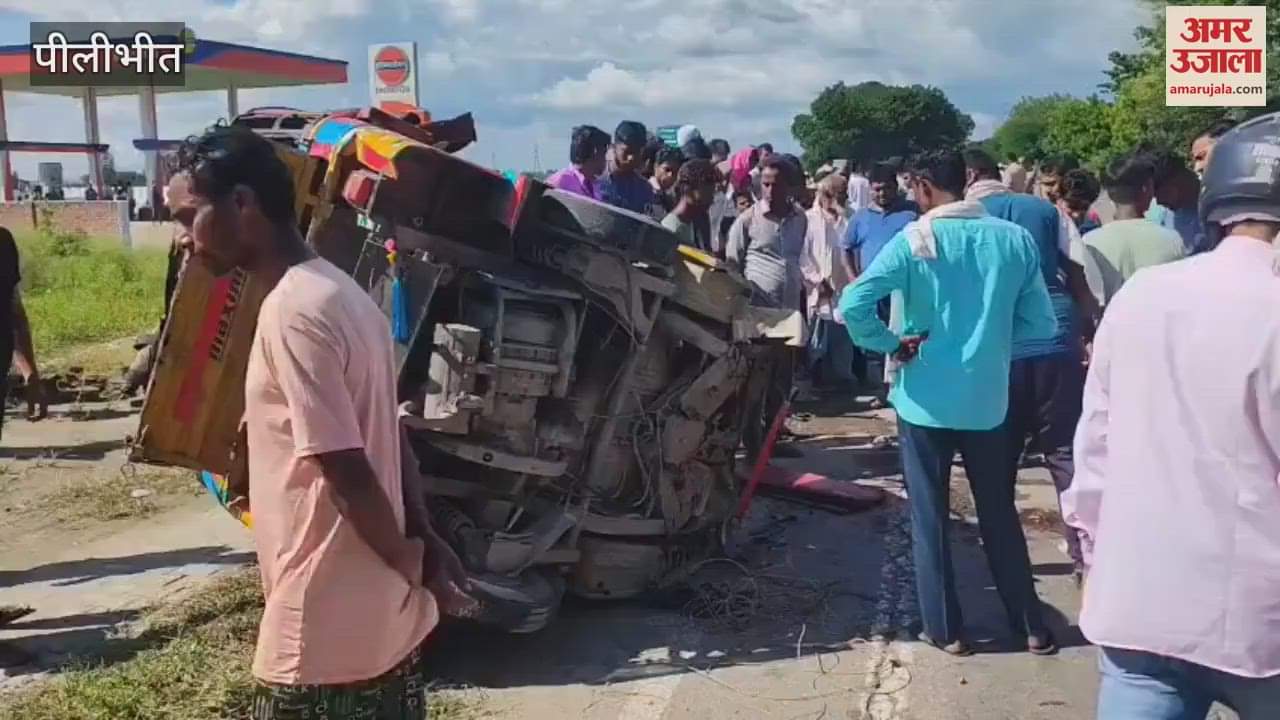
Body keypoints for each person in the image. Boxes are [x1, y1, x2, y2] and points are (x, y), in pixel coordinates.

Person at [167, 125, 471, 720]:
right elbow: (391, 436)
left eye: (187, 216)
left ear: (241, 204)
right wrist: (423, 544)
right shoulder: (342, 292)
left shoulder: (292, 313)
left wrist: (409, 557)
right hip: (380, 625)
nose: (182, 238)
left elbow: (344, 465)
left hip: (321, 632)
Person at [1062, 113, 1280, 720]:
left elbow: (1095, 448)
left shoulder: (1143, 295)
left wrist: (1097, 551)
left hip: (1139, 606)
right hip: (1260, 627)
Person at [841, 149, 1059, 657]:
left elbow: (853, 302)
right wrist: (992, 338)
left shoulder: (915, 241)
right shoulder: (1013, 241)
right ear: (965, 182)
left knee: (930, 516)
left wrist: (891, 343)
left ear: (919, 187)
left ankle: (946, 630)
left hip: (924, 401)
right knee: (999, 513)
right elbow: (1041, 325)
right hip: (988, 399)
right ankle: (1031, 626)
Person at [963, 148, 1098, 585]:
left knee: (997, 462)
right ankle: (1087, 557)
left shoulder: (958, 219)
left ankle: (1007, 567)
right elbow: (1079, 277)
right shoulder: (1046, 210)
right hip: (1055, 339)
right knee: (1063, 453)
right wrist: (1089, 330)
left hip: (995, 350)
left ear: (967, 177)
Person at [725, 155, 807, 460]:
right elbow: (732, 266)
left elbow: (796, 261)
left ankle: (773, 438)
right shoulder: (747, 221)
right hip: (757, 316)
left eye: (777, 184)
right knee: (754, 383)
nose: (770, 190)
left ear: (790, 186)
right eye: (766, 184)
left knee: (781, 381)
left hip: (788, 314)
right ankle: (752, 443)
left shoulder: (800, 218)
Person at [841, 162, 919, 401]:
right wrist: (854, 280)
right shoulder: (860, 217)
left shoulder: (912, 213)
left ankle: (901, 389)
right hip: (872, 291)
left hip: (903, 291)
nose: (882, 194)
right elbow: (846, 248)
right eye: (876, 189)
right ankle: (881, 391)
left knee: (903, 336)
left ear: (896, 187)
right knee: (875, 342)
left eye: (886, 188)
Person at [1080, 154, 1186, 309]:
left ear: (1109, 194)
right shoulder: (1172, 239)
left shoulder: (1089, 242)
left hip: (1109, 329)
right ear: (1146, 189)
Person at [799, 174, 854, 393]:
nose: (838, 199)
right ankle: (814, 380)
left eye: (842, 195)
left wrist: (841, 214)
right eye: (833, 195)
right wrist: (816, 280)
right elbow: (802, 255)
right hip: (818, 288)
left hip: (843, 287)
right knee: (816, 339)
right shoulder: (808, 220)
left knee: (842, 338)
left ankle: (842, 381)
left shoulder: (849, 219)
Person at [1146, 149, 1206, 255]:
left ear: (1177, 179)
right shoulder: (1163, 219)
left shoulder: (1220, 207)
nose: (1159, 202)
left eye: (1159, 194)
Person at [598, 121, 656, 215]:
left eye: (637, 152)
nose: (631, 158)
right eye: (627, 151)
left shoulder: (644, 188)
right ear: (614, 147)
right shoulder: (594, 178)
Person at [661, 158, 716, 252]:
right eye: (708, 193)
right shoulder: (670, 229)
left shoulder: (688, 224)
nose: (712, 200)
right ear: (689, 190)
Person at [546, 125, 610, 199]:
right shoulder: (559, 183)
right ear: (594, 152)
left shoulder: (595, 185)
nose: (606, 159)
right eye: (604, 153)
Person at [1057, 168, 1102, 234]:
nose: (1076, 215)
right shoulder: (1053, 223)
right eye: (1072, 207)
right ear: (1059, 198)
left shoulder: (1093, 222)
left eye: (1084, 208)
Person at [650, 146, 685, 213]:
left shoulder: (673, 196)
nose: (670, 175)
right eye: (667, 169)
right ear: (656, 167)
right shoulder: (645, 189)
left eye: (675, 172)